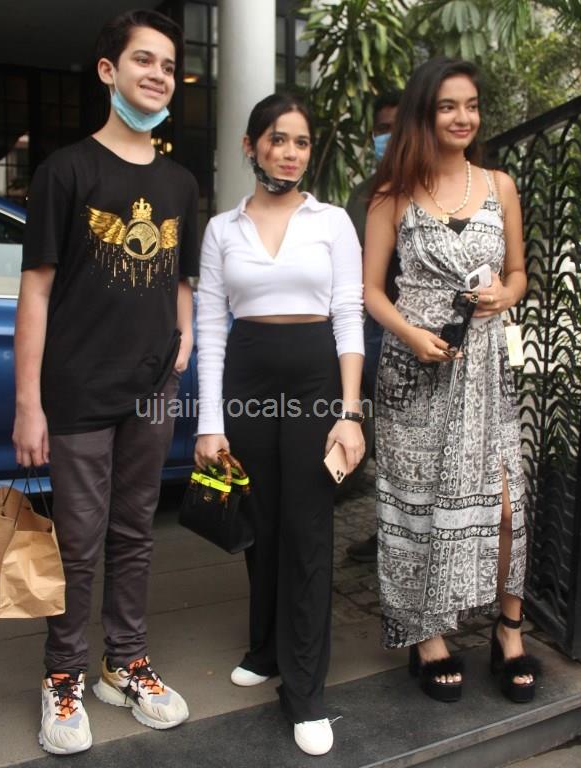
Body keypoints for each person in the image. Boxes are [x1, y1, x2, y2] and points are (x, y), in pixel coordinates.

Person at [13, 9, 199, 755]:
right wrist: (28, 403)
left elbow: (180, 277)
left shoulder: (180, 182)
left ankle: (125, 663)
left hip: (151, 391)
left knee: (135, 535)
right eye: (143, 60)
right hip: (78, 390)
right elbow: (35, 292)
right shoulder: (65, 172)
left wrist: (183, 337)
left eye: (168, 66)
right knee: (78, 541)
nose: (158, 75)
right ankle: (63, 674)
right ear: (108, 71)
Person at [194, 93, 365, 756]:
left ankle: (305, 691)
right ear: (251, 146)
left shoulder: (331, 222)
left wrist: (349, 412)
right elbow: (211, 328)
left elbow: (348, 315)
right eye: (276, 139)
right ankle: (265, 649)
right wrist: (210, 423)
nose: (289, 152)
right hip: (247, 382)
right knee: (259, 523)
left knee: (306, 529)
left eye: (300, 141)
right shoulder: (222, 229)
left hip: (316, 384)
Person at [364, 57, 538, 704]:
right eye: (447, 106)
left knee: (504, 507)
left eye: (471, 105)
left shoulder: (498, 185)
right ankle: (425, 634)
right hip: (414, 373)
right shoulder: (393, 194)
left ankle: (508, 629)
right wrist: (411, 334)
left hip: (485, 371)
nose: (463, 117)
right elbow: (370, 292)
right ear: (423, 113)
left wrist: (505, 295)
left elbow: (518, 273)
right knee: (418, 509)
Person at [345, 90, 401, 564]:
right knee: (385, 438)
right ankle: (387, 533)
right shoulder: (362, 195)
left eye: (399, 127)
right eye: (383, 128)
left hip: (426, 331)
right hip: (373, 330)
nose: (391, 136)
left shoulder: (433, 186)